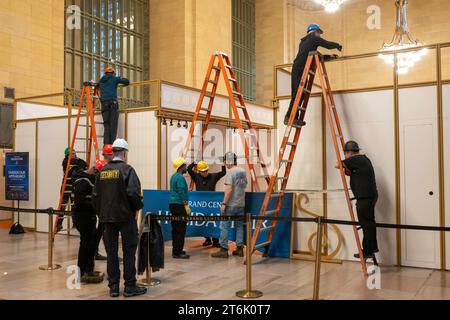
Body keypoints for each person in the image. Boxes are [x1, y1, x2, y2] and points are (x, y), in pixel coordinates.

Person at [93, 138, 146, 298]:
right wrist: (136, 208)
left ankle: (114, 287)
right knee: (129, 252)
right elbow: (133, 193)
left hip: (107, 219)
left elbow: (95, 197)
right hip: (125, 218)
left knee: (111, 252)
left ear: (113, 151)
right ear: (124, 152)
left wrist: (102, 213)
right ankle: (130, 286)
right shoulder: (128, 170)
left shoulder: (103, 171)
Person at [285, 23, 342, 126]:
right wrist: (337, 45)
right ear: (315, 31)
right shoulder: (312, 38)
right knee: (297, 94)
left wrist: (329, 57)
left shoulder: (306, 41)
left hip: (301, 68)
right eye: (319, 33)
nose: (320, 36)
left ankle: (294, 118)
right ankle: (289, 117)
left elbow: (315, 56)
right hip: (299, 68)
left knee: (300, 94)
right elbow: (327, 44)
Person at [340, 141, 379, 259]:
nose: (345, 156)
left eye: (345, 154)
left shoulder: (355, 159)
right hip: (370, 196)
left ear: (349, 153)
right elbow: (350, 171)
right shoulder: (363, 159)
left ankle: (367, 251)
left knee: (365, 224)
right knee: (370, 223)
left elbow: (338, 164)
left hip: (365, 197)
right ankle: (372, 247)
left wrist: (343, 165)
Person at [72, 159, 107, 284]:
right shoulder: (82, 181)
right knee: (86, 243)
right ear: (95, 170)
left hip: (89, 216)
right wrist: (96, 206)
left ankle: (89, 269)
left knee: (91, 243)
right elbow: (80, 201)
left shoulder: (90, 179)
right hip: (83, 216)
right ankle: (81, 271)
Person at [212, 152, 247, 258]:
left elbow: (229, 189)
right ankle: (240, 249)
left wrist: (224, 203)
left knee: (224, 226)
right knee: (239, 226)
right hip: (241, 204)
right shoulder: (243, 171)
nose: (224, 163)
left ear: (229, 161)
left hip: (230, 205)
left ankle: (223, 249)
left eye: (225, 160)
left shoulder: (231, 172)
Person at [187, 160, 226, 248]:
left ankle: (215, 241)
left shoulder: (213, 176)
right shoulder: (196, 176)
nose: (204, 173)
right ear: (199, 171)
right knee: (204, 222)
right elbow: (189, 169)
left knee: (213, 222)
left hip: (211, 205)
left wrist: (223, 164)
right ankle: (207, 239)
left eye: (206, 171)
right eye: (202, 171)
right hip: (201, 205)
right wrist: (194, 163)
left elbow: (224, 172)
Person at [56, 147, 88, 233]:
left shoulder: (76, 161)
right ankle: (59, 224)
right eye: (73, 153)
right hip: (66, 186)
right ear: (68, 155)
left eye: (75, 153)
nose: (75, 154)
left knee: (75, 204)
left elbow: (85, 164)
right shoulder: (65, 162)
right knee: (63, 205)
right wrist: (78, 163)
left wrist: (78, 163)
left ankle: (75, 223)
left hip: (73, 186)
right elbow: (78, 164)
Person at [97, 67, 130, 145]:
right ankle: (112, 146)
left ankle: (106, 147)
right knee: (113, 126)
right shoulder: (114, 78)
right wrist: (119, 78)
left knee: (107, 126)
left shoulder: (101, 80)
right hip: (112, 104)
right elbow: (127, 82)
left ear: (105, 73)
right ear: (113, 73)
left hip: (104, 105)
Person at [94, 144, 114, 261]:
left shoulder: (107, 166)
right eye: (111, 154)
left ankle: (97, 252)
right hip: (102, 205)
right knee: (104, 230)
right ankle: (109, 254)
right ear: (107, 154)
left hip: (105, 204)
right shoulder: (101, 165)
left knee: (102, 230)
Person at [169, 157, 190, 259]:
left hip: (173, 205)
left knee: (175, 229)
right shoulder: (180, 178)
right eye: (185, 166)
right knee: (180, 229)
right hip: (179, 205)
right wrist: (186, 205)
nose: (186, 167)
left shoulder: (173, 176)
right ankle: (178, 252)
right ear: (181, 167)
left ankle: (176, 250)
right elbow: (182, 192)